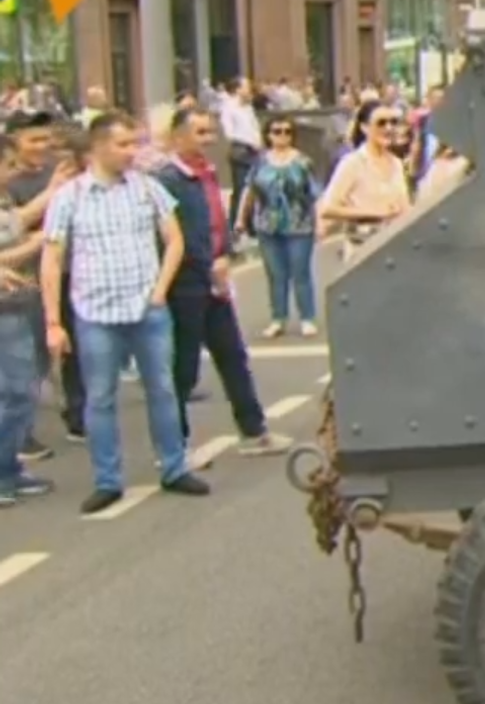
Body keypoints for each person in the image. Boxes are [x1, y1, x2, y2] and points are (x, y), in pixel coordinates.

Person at [40, 112, 211, 514]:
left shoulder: (147, 188)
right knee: (100, 398)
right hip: (95, 313)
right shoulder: (70, 196)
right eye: (123, 144)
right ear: (99, 146)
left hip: (146, 309)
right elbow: (52, 257)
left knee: (163, 390)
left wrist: (160, 289)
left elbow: (174, 239)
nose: (132, 152)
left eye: (135, 143)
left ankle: (174, 467)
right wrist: (53, 321)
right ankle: (107, 479)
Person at [155, 105, 292, 456]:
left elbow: (216, 219)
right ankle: (174, 447)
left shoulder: (208, 172)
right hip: (186, 283)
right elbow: (177, 235)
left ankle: (254, 431)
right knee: (183, 366)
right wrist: (209, 265)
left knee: (232, 356)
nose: (208, 140)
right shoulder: (168, 179)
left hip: (215, 278)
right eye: (200, 132)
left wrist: (226, 254)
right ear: (178, 137)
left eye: (211, 132)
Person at [6, 109, 84, 452]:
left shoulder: (59, 171)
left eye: (46, 139)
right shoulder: (11, 183)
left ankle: (77, 415)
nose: (42, 147)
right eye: (33, 140)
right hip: (23, 283)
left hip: (64, 275)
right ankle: (17, 437)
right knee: (27, 362)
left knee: (69, 349)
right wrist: (41, 237)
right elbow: (15, 225)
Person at [0, 144, 53, 507]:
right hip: (5, 311)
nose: (15, 171)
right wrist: (37, 242)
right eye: (9, 165)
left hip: (17, 304)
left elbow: (16, 223)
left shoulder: (6, 202)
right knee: (16, 393)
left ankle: (9, 467)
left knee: (23, 390)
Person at [238, 116, 323, 337]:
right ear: (268, 135)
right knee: (276, 274)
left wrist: (320, 223)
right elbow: (249, 190)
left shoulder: (303, 162)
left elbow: (315, 194)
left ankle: (306, 317)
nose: (282, 136)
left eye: (287, 131)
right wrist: (240, 218)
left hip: (299, 224)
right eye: (277, 131)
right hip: (267, 225)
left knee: (300, 272)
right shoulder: (260, 162)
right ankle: (278, 318)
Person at [320, 101, 413, 262]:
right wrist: (375, 212)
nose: (389, 128)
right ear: (364, 127)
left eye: (393, 122)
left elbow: (405, 207)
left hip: (393, 249)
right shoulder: (352, 163)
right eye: (381, 123)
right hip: (362, 249)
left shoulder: (397, 163)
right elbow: (327, 208)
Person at [219, 81, 264, 247]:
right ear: (238, 89)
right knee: (241, 188)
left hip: (255, 151)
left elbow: (255, 129)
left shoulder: (248, 108)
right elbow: (229, 133)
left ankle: (251, 226)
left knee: (253, 189)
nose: (249, 90)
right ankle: (235, 228)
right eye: (246, 87)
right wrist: (249, 142)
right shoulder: (229, 107)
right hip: (241, 150)